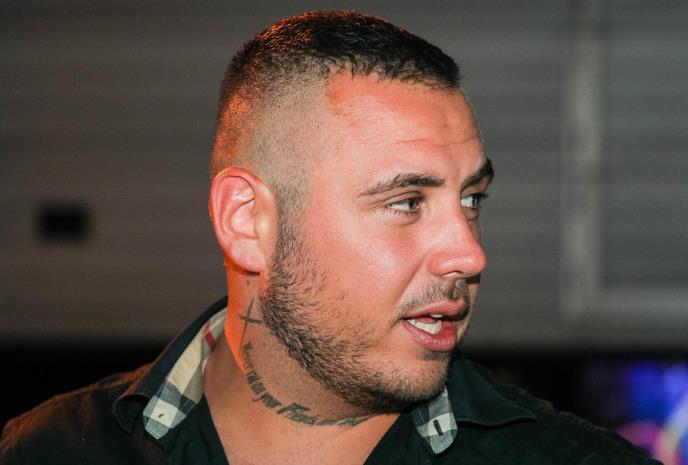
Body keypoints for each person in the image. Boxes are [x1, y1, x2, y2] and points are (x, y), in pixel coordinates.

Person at [0, 11, 659, 465]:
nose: (469, 253)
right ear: (247, 221)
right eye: (407, 202)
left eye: (471, 199)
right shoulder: (46, 451)